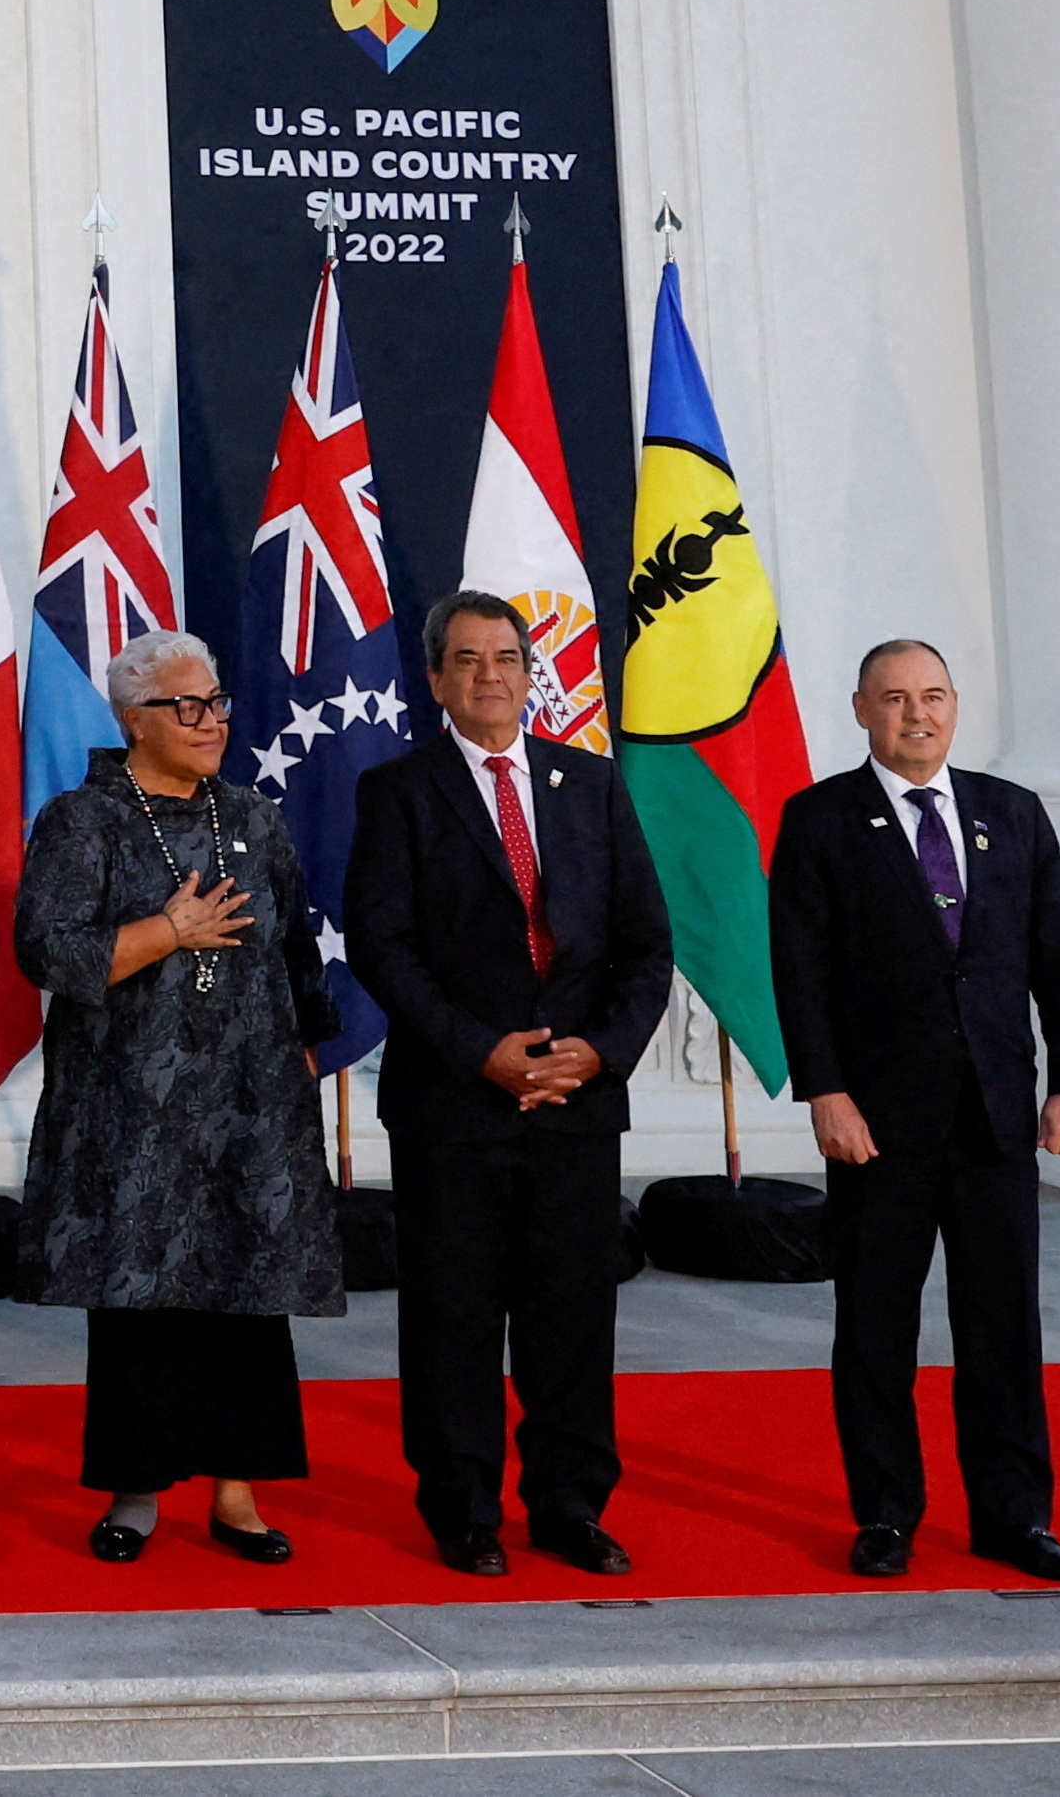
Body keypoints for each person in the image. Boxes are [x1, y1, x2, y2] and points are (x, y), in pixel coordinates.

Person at [344, 588, 675, 1576]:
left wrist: (598, 1051)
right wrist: (480, 1048)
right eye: (468, 659)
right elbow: (382, 946)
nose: (490, 674)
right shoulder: (397, 791)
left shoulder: (594, 785)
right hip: (453, 1099)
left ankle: (569, 1505)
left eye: (506, 657)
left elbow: (645, 945)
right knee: (452, 1314)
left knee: (570, 1314)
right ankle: (463, 1509)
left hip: (576, 1099)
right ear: (438, 677)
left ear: (533, 673)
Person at [771, 636, 1060, 1582]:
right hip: (876, 1124)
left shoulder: (1013, 813)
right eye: (895, 697)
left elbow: (1059, 961)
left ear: (955, 706)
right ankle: (884, 1513)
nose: (917, 713)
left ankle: (1014, 1517)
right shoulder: (820, 818)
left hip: (996, 1117)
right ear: (861, 709)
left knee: (1004, 1325)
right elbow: (802, 970)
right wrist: (825, 1092)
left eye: (934, 695)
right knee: (876, 1326)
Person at [13, 625, 339, 1567]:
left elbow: (295, 943)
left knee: (249, 1289)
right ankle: (137, 1490)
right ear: (133, 719)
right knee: (139, 1299)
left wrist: (308, 1049)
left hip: (249, 1099)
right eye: (185, 707)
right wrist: (166, 929)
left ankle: (238, 1493)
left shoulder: (253, 815)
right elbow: (50, 950)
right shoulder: (83, 819)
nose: (210, 722)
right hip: (132, 1108)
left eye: (216, 704)